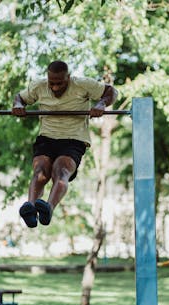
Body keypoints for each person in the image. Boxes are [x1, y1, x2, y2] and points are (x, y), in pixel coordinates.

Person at [12, 60, 118, 228]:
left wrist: (101, 103)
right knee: (41, 172)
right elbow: (20, 97)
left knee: (60, 171)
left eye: (59, 83)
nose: (54, 87)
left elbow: (111, 91)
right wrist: (18, 104)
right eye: (51, 83)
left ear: (68, 77)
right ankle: (30, 208)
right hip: (47, 137)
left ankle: (48, 209)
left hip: (73, 139)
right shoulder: (39, 86)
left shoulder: (82, 85)